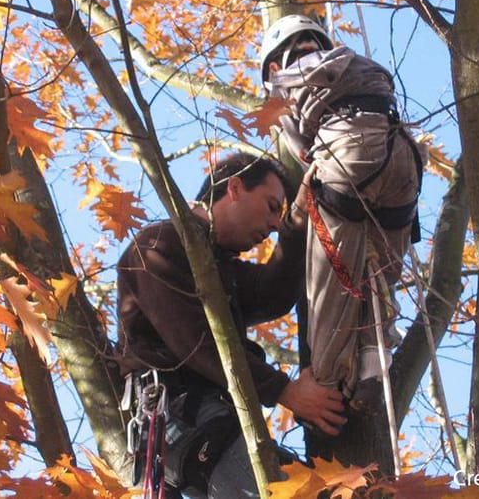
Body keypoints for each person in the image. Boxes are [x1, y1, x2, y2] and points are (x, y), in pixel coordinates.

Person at [115, 152, 346, 498]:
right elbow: (195, 343)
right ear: (235, 188)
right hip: (182, 415)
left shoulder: (222, 270)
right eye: (270, 207)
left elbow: (273, 293)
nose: (272, 224)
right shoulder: (158, 246)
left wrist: (297, 224)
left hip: (209, 422)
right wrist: (285, 390)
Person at [260, 14, 425, 413]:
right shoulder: (353, 62)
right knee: (382, 276)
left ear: (274, 65)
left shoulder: (283, 85)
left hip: (348, 155)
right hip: (404, 159)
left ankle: (331, 387)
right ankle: (372, 366)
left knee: (331, 291)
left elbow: (305, 153)